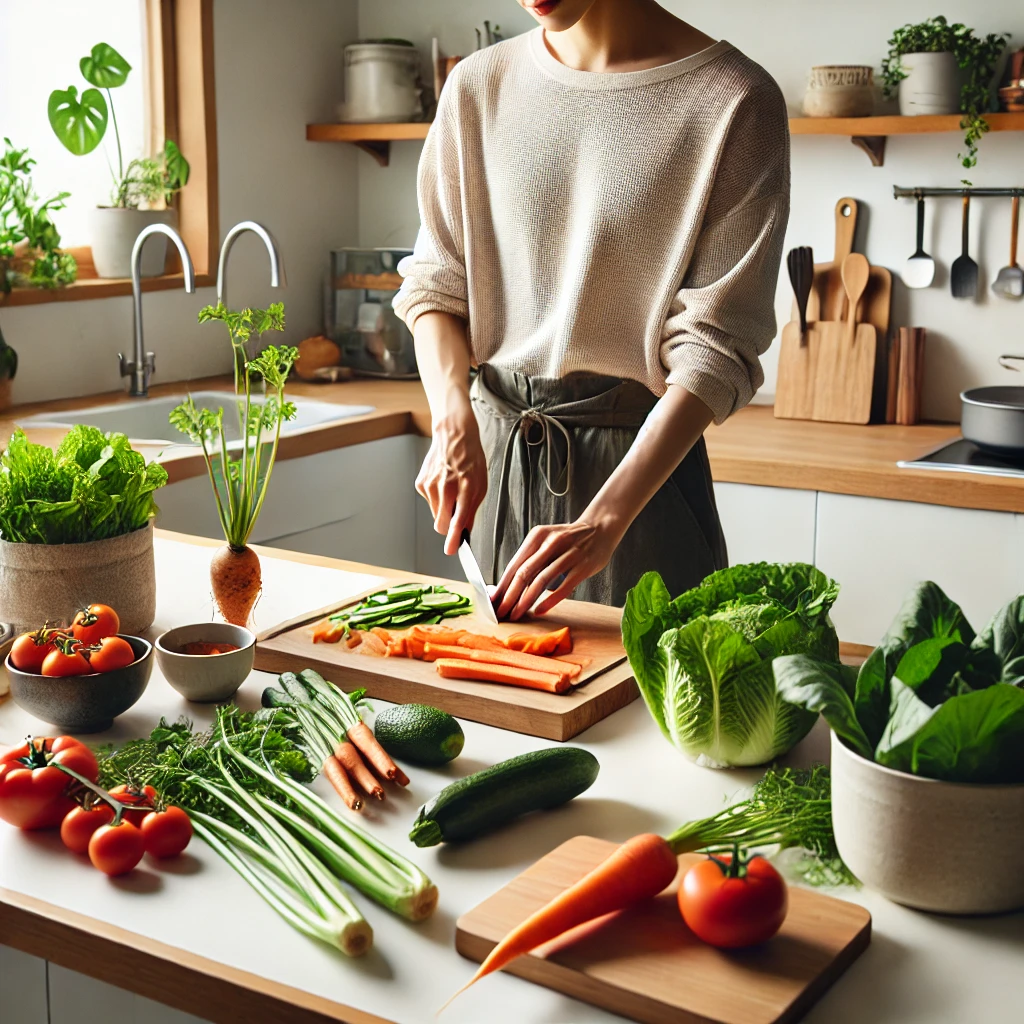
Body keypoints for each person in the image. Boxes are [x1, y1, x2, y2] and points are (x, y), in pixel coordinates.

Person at [394, 0, 790, 621]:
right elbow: (438, 283)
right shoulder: (477, 85)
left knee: (652, 712)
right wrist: (451, 421)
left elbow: (715, 347)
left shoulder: (734, 100)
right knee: (506, 705)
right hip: (499, 459)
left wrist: (606, 520)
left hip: (640, 481)